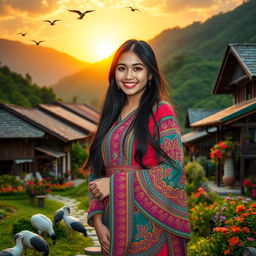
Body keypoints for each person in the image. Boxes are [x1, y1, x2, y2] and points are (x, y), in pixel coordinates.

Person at [85, 39, 191, 256]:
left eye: (137, 68)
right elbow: (97, 172)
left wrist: (114, 185)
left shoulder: (161, 111)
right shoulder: (110, 116)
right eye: (121, 68)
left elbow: (174, 169)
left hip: (151, 225)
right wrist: (97, 221)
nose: (128, 76)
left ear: (150, 74)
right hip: (111, 225)